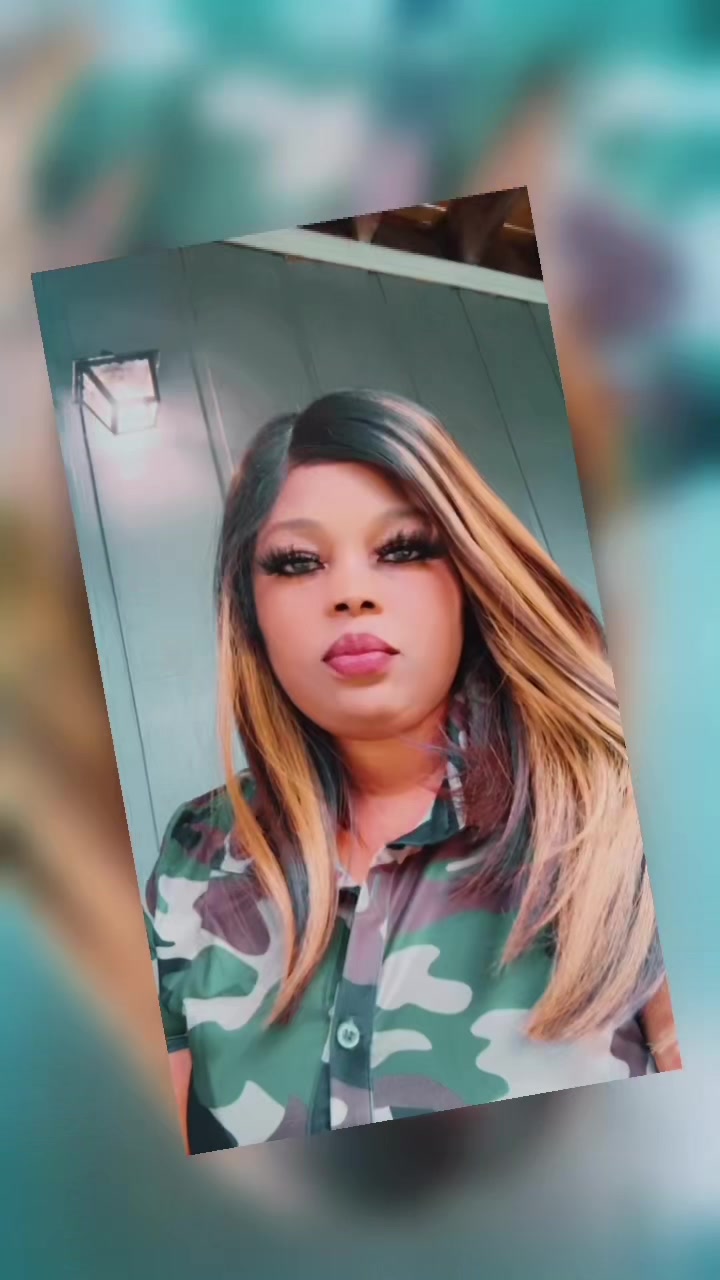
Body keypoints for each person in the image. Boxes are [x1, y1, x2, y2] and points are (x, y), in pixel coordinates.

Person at [145, 389, 679, 1155]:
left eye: (402, 549)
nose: (351, 593)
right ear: (249, 612)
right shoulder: (195, 850)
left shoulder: (629, 809)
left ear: (469, 576)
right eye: (297, 562)